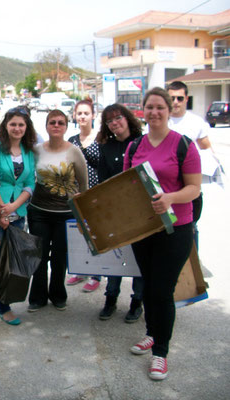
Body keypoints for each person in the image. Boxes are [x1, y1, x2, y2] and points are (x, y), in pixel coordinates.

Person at [125, 87, 201, 381]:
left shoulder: (184, 145)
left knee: (162, 290)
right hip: (144, 229)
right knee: (147, 287)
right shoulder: (134, 147)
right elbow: (128, 186)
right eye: (150, 107)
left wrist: (169, 198)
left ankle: (161, 352)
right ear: (142, 111)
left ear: (169, 110)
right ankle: (151, 333)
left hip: (176, 229)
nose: (154, 112)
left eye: (160, 107)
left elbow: (194, 189)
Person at [27, 110, 88, 312]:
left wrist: (82, 212)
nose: (56, 125)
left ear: (66, 126)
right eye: (52, 122)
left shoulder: (74, 151)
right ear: (46, 126)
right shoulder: (36, 151)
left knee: (60, 257)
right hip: (39, 211)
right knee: (39, 256)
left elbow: (83, 183)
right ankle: (37, 297)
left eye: (60, 122)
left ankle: (58, 295)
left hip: (65, 214)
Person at [0, 107, 36, 325]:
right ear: (5, 125)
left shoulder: (28, 151)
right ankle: (4, 307)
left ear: (26, 127)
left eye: (21, 125)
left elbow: (30, 183)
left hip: (18, 211)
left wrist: (14, 206)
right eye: (13, 124)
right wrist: (2, 209)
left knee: (10, 260)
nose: (16, 128)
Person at [96, 104, 144, 322]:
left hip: (141, 211)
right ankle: (111, 299)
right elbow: (102, 181)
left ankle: (137, 303)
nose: (115, 123)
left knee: (139, 260)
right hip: (115, 212)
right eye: (110, 121)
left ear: (127, 118)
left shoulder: (143, 142)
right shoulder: (106, 147)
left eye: (118, 118)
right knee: (115, 259)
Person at [166, 80, 213, 249]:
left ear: (186, 99)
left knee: (191, 226)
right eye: (172, 98)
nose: (176, 102)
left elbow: (207, 149)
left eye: (180, 98)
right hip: (166, 188)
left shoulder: (196, 122)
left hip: (189, 187)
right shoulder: (160, 122)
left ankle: (193, 270)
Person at [66, 99, 102, 292]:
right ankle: (80, 271)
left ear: (93, 115)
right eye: (79, 113)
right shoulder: (71, 141)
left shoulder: (101, 138)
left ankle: (96, 274)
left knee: (96, 233)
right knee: (79, 233)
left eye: (86, 113)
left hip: (97, 194)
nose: (82, 117)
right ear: (74, 115)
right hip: (77, 194)